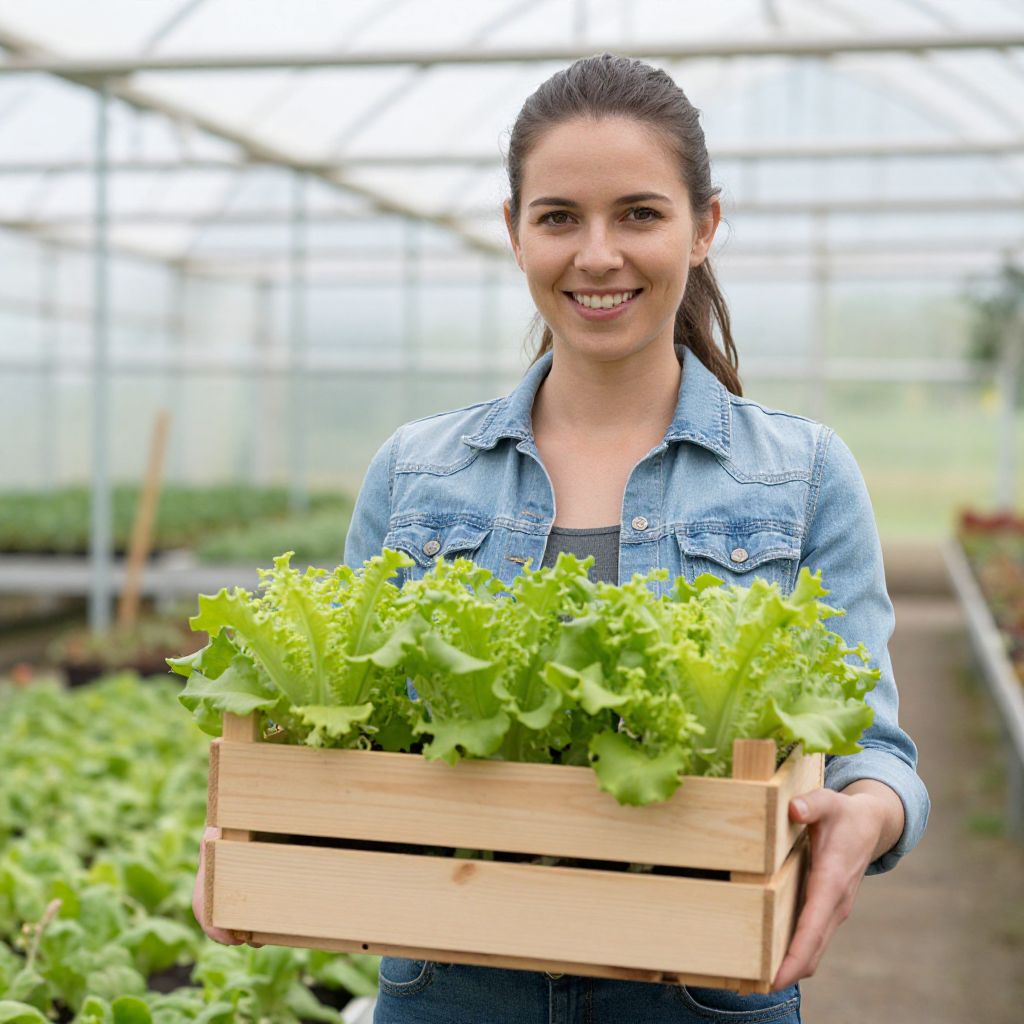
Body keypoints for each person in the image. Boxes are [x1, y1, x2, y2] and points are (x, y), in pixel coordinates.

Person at [196, 54, 930, 1023]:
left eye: (638, 213)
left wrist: (864, 814)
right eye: (557, 218)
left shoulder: (802, 474)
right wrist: (261, 835)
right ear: (513, 233)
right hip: (449, 982)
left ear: (703, 226)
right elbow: (354, 731)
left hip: (699, 986)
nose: (596, 255)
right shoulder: (415, 472)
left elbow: (872, 749)